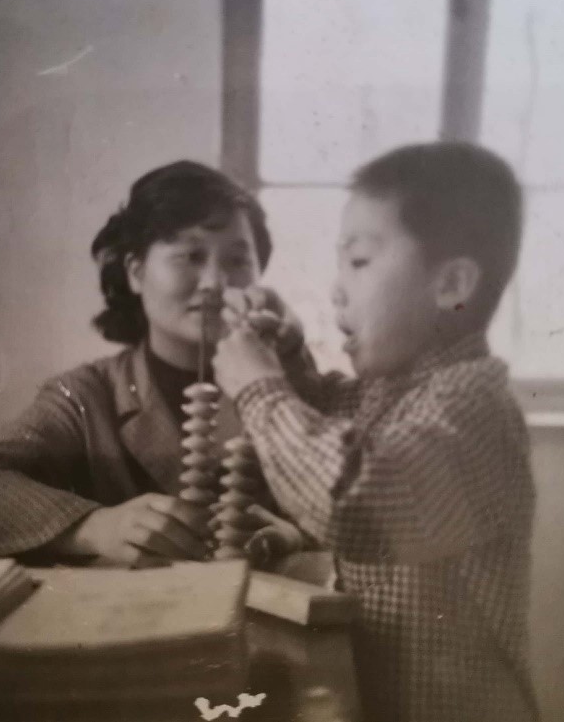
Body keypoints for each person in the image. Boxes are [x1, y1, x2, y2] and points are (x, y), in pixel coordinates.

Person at [213, 143, 540, 721]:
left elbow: (354, 498)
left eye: (359, 262)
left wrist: (261, 387)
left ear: (451, 285)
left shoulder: (474, 408)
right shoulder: (394, 392)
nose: (336, 290)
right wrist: (286, 357)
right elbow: (336, 420)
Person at [0, 160, 303, 568]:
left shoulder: (289, 388)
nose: (216, 282)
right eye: (191, 256)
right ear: (136, 273)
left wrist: (296, 536)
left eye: (238, 260)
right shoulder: (87, 395)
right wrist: (95, 527)